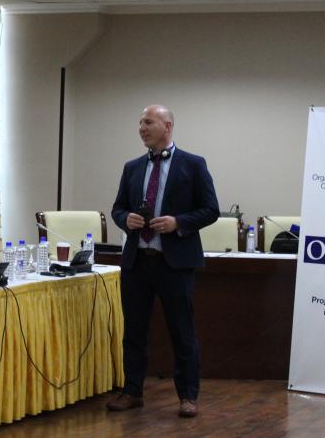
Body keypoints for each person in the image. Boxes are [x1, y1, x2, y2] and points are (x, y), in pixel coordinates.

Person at [108, 105, 219, 418]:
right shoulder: (132, 167)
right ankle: (132, 392)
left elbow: (210, 209)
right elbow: (117, 208)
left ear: (167, 126)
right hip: (137, 262)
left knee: (182, 332)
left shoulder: (193, 164)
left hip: (174, 264)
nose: (141, 128)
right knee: (134, 332)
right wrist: (125, 219)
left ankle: (188, 396)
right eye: (140, 122)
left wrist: (178, 223)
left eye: (148, 122)